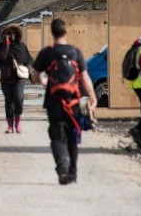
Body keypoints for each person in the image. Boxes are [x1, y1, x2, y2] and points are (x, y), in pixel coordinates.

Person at [31, 18, 97, 185]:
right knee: (73, 136)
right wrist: (92, 95)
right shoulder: (76, 52)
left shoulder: (48, 52)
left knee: (57, 135)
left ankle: (62, 163)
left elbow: (35, 76)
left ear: (52, 33)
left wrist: (43, 81)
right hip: (73, 102)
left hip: (54, 101)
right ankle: (72, 175)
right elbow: (84, 77)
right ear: (65, 31)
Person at [0, 24, 32, 133]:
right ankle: (10, 126)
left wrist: (31, 76)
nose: (12, 35)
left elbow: (27, 61)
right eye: (9, 33)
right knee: (9, 102)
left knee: (18, 98)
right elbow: (2, 58)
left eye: (13, 33)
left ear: (17, 34)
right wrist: (7, 45)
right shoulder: (1, 46)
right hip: (6, 78)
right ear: (5, 35)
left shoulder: (22, 46)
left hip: (19, 78)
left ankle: (18, 122)